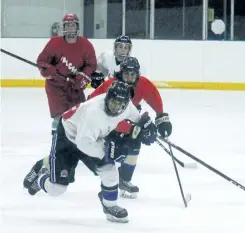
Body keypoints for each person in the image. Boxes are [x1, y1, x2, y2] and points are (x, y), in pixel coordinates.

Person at [24, 81, 157, 223]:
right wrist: (107, 152)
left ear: (125, 104)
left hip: (91, 137)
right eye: (112, 102)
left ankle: (109, 206)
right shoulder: (94, 114)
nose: (115, 107)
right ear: (107, 98)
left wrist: (146, 126)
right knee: (56, 189)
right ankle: (42, 175)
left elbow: (137, 118)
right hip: (68, 138)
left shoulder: (126, 106)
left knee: (109, 170)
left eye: (119, 104)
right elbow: (83, 144)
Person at [88, 56, 172, 198]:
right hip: (102, 123)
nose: (129, 77)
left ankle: (124, 180)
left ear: (137, 75)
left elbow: (153, 97)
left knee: (134, 143)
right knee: (111, 155)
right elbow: (102, 112)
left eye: (132, 74)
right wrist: (133, 128)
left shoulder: (142, 84)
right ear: (120, 73)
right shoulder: (112, 86)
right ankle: (109, 185)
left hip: (124, 122)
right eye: (126, 73)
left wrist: (161, 117)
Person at [37, 13, 97, 135]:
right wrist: (49, 69)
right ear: (64, 28)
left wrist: (83, 77)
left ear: (77, 27)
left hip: (74, 88)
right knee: (59, 119)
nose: (70, 28)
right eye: (68, 25)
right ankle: (56, 148)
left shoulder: (85, 44)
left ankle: (75, 149)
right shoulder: (54, 43)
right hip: (55, 87)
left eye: (73, 25)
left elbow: (91, 64)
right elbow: (41, 61)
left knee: (79, 118)